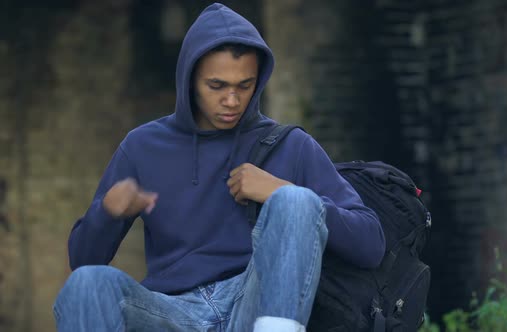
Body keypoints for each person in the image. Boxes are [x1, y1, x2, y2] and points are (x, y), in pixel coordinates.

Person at [53, 3, 385, 331]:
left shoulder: (290, 145)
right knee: (87, 284)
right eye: (217, 86)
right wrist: (107, 212)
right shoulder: (142, 147)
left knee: (295, 200)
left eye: (245, 85)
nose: (232, 100)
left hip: (254, 302)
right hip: (169, 312)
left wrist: (278, 190)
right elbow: (83, 261)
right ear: (189, 79)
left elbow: (370, 244)